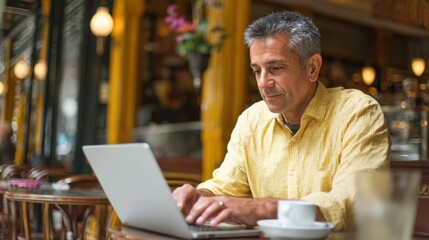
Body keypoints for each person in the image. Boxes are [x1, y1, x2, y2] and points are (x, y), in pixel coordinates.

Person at [172, 11, 390, 231]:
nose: (263, 83)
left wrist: (262, 209)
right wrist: (199, 196)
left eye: (276, 68)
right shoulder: (252, 120)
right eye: (257, 71)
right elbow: (227, 186)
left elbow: (354, 202)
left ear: (312, 68)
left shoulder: (358, 112)